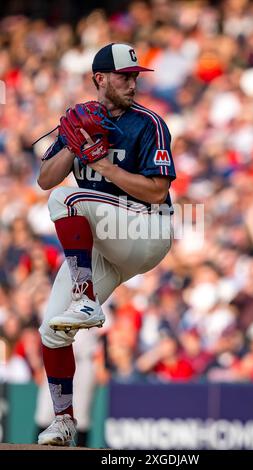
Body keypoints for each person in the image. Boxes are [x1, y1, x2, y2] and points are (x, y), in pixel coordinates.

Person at [36, 43, 176, 446]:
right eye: (124, 76)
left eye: (135, 76)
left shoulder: (148, 123)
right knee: (52, 331)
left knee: (66, 199)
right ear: (100, 78)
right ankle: (64, 422)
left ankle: (85, 296)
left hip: (146, 230)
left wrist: (101, 164)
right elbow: (45, 177)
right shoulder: (81, 118)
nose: (133, 83)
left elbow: (155, 192)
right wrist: (73, 144)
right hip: (103, 242)